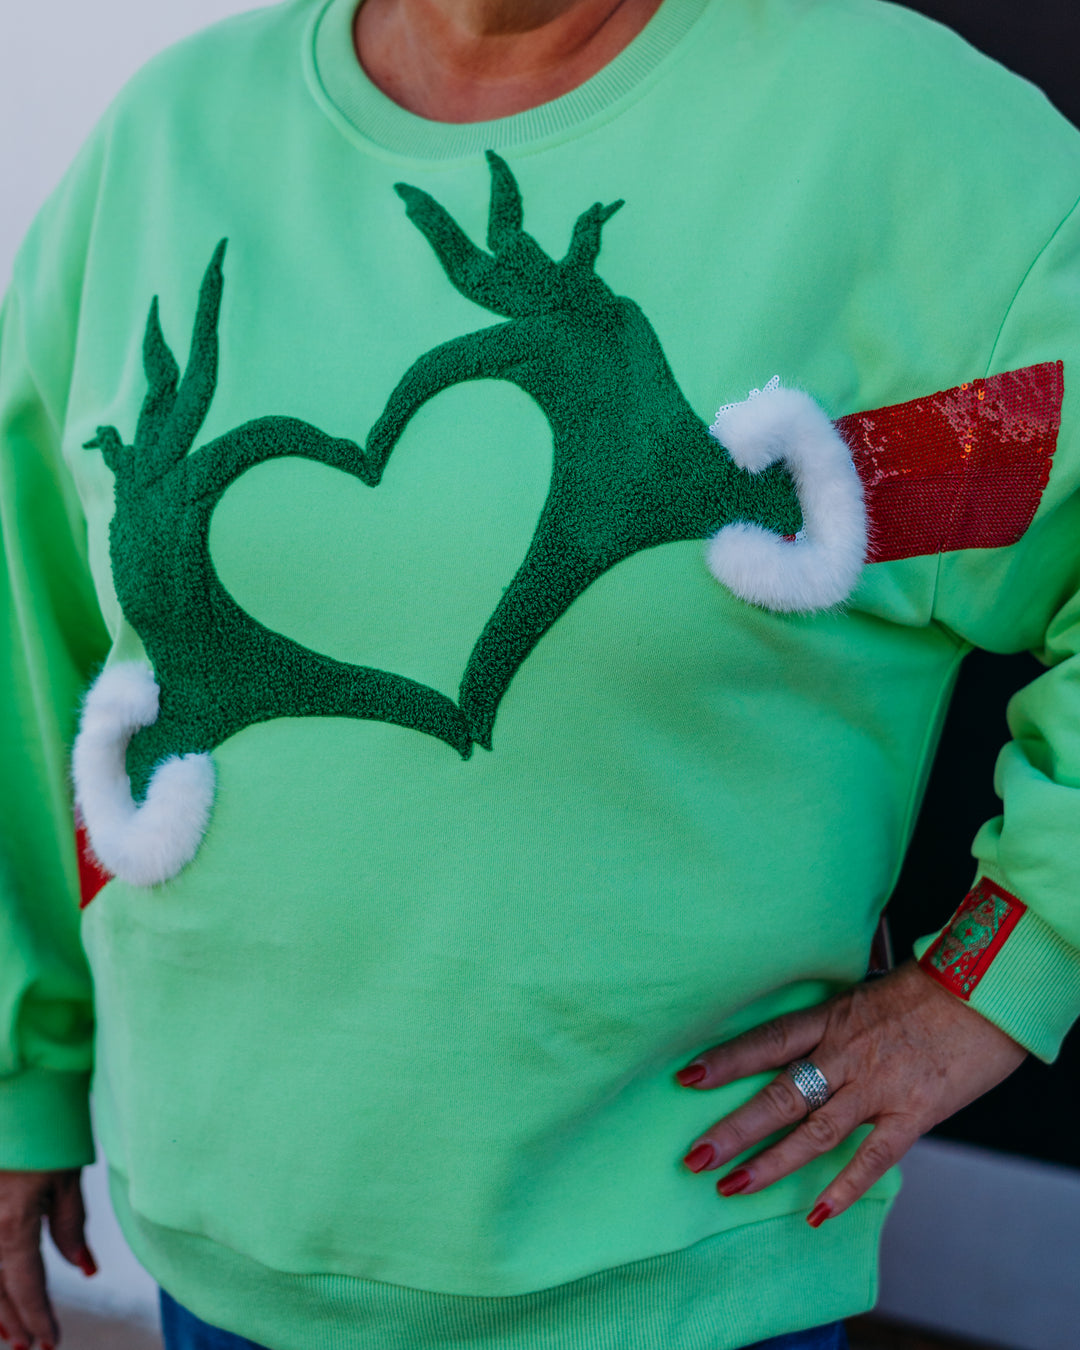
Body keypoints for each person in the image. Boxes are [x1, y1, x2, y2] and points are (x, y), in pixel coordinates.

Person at [1, 0, 1078, 1347]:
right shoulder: (166, 141)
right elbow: (30, 634)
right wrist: (18, 1075)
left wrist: (1002, 972)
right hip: (224, 1274)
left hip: (676, 1290)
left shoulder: (901, 133)